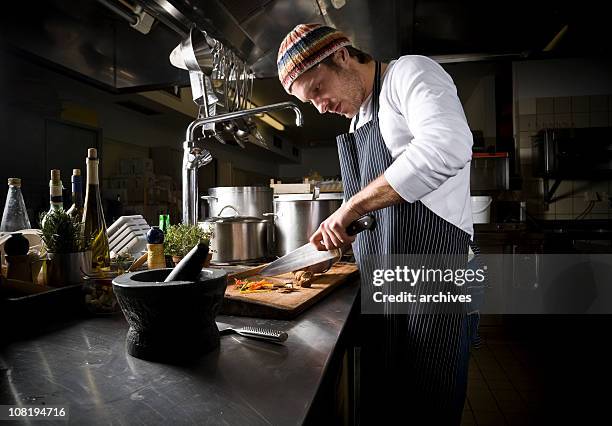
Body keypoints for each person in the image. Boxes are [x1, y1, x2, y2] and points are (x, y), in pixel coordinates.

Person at [278, 24, 476, 424]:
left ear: (342, 56)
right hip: (388, 286)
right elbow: (385, 212)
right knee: (389, 406)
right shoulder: (357, 124)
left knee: (428, 406)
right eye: (309, 100)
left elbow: (447, 145)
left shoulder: (409, 75)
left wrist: (350, 207)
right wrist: (347, 237)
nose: (319, 106)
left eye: (317, 89)